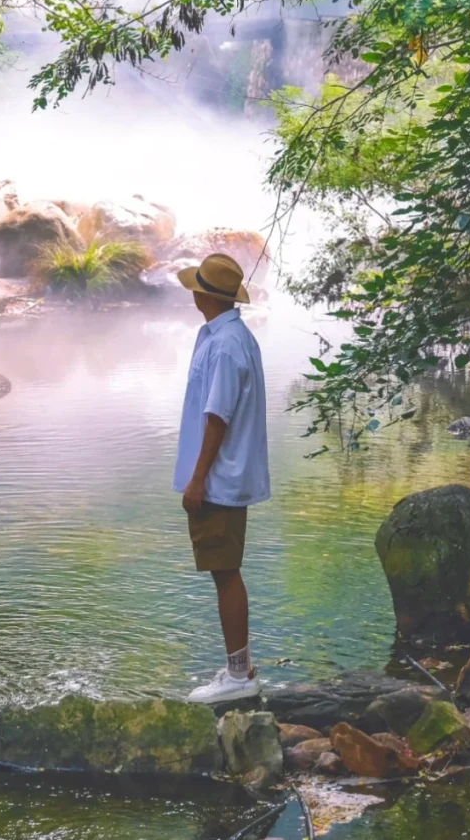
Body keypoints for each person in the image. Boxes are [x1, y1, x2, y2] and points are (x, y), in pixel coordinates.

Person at [173, 250, 270, 703]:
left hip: (220, 479)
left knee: (225, 572)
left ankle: (238, 676)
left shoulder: (228, 344)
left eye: (196, 285)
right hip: (222, 476)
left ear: (204, 295)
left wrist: (198, 480)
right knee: (223, 570)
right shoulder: (224, 335)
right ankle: (238, 668)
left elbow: (217, 416)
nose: (191, 290)